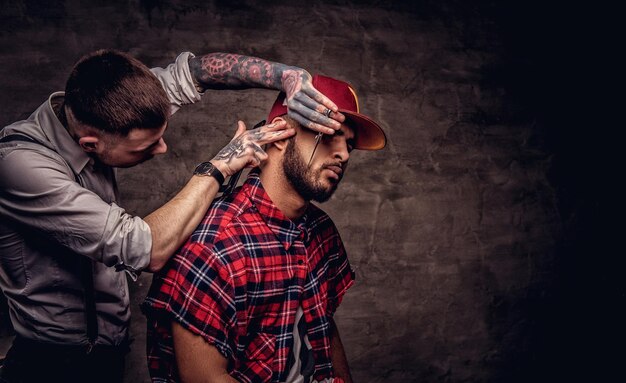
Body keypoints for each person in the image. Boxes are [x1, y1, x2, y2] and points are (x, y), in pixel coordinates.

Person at [0, 49, 345, 383]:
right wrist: (221, 165)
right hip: (50, 363)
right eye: (146, 147)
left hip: (109, 353)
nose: (162, 149)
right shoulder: (18, 166)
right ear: (90, 145)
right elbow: (146, 248)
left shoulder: (117, 102)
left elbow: (199, 70)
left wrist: (288, 76)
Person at [143, 74, 387, 383]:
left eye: (349, 143)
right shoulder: (217, 244)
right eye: (328, 136)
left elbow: (321, 324)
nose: (344, 154)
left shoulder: (321, 231)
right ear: (280, 135)